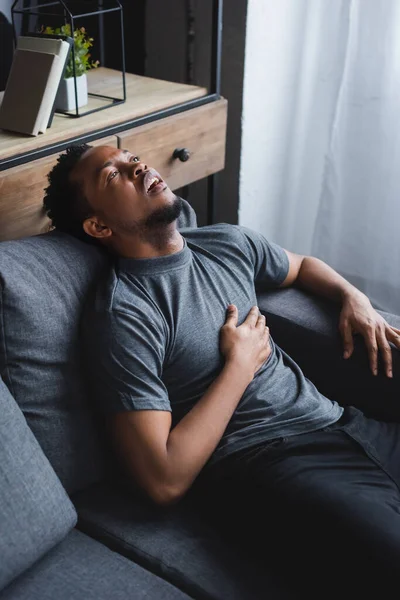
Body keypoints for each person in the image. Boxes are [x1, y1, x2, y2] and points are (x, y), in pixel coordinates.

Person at [44, 144, 400, 596]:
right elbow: (162, 479)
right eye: (111, 176)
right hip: (278, 465)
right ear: (99, 225)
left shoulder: (226, 242)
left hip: (347, 425)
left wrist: (355, 298)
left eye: (130, 156)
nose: (136, 166)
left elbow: (303, 266)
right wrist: (239, 365)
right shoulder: (125, 314)